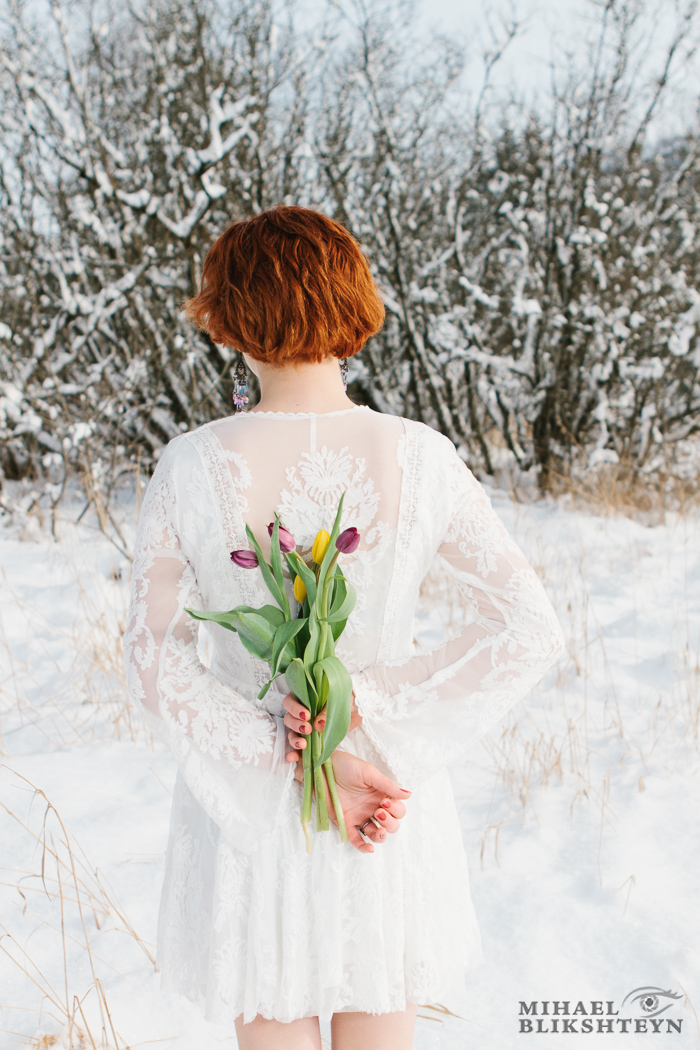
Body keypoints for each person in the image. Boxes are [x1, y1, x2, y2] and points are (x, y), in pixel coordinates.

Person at [123, 205, 566, 1050]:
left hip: (247, 805)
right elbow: (528, 627)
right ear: (351, 304)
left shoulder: (192, 463)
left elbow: (150, 655)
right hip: (381, 799)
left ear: (228, 315)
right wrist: (359, 710)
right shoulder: (421, 456)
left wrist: (274, 742)